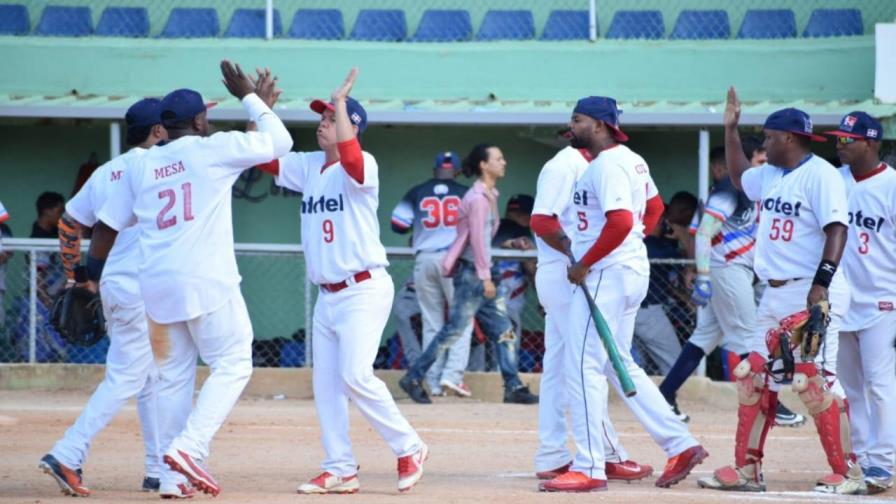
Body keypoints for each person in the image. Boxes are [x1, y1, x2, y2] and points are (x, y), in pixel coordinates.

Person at [88, 62, 292, 497]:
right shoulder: (212, 148)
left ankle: (170, 478)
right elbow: (281, 142)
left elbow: (105, 228)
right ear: (199, 121)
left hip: (155, 286)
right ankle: (189, 448)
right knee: (234, 362)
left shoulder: (140, 166)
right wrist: (252, 100)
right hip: (205, 280)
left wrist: (89, 278)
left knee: (174, 379)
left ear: (163, 126)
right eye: (206, 116)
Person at [258, 69, 428, 495]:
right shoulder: (309, 166)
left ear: (352, 128)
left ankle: (409, 446)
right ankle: (340, 468)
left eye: (331, 118)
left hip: (363, 287)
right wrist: (259, 110)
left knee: (355, 375)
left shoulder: (362, 163)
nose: (322, 122)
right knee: (327, 387)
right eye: (321, 117)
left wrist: (342, 103)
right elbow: (263, 156)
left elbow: (351, 158)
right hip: (327, 295)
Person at [698, 88, 863, 494]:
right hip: (772, 293)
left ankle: (850, 473)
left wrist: (820, 284)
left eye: (768, 137)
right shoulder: (770, 174)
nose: (764, 143)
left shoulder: (821, 174)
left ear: (788, 137)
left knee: (812, 380)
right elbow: (739, 176)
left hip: (811, 294)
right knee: (753, 377)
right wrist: (730, 130)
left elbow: (837, 229)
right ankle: (747, 470)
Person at [540, 96, 708, 492]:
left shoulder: (609, 163)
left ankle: (590, 466)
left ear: (599, 125)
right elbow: (654, 207)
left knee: (583, 367)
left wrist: (586, 262)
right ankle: (679, 443)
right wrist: (631, 243)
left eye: (577, 119)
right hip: (624, 270)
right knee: (618, 364)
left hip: (604, 273)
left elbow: (619, 221)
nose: (571, 125)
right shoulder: (631, 159)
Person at [37, 98, 173, 498]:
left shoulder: (108, 170)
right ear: (158, 131)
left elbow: (68, 224)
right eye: (166, 124)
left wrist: (76, 275)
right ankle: (67, 452)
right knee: (128, 376)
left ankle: (156, 468)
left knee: (149, 379)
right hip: (141, 288)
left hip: (115, 287)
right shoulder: (159, 167)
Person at [530, 139, 653, 484]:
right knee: (588, 364)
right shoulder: (564, 164)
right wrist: (578, 255)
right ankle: (607, 454)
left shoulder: (599, 163)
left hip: (572, 270)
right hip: (565, 271)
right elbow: (541, 220)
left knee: (560, 366)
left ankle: (552, 454)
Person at [399, 144, 539, 406]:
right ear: (484, 165)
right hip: (474, 274)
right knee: (453, 331)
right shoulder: (476, 198)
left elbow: (485, 238)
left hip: (484, 273)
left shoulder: (489, 194)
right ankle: (414, 377)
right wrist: (485, 277)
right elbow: (476, 240)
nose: (504, 162)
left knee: (503, 329)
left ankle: (513, 385)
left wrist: (496, 263)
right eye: (498, 158)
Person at [829, 111, 895, 494]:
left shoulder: (891, 185)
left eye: (847, 139)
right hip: (840, 301)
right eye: (838, 138)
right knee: (850, 388)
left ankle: (882, 465)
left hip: (883, 299)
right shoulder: (833, 181)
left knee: (881, 384)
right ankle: (862, 458)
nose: (840, 144)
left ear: (870, 142)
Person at [390, 151, 473, 397]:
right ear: (456, 170)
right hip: (454, 259)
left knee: (431, 323)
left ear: (435, 169)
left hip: (425, 258)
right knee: (462, 321)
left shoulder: (417, 191)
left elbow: (398, 225)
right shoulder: (465, 193)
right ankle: (452, 376)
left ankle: (434, 382)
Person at [631, 192, 696, 376]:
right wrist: (683, 235)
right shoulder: (652, 245)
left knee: (639, 364)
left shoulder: (645, 242)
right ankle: (673, 396)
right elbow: (694, 263)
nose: (664, 224)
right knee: (675, 363)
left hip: (632, 311)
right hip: (648, 312)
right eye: (662, 220)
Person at [30, 191, 66, 306]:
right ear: (47, 211)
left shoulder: (57, 233)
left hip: (59, 295)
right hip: (46, 298)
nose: (62, 215)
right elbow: (38, 273)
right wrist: (45, 299)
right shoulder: (37, 239)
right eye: (60, 211)